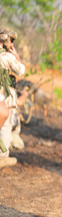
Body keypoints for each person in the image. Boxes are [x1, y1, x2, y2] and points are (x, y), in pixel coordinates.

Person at [0, 27, 25, 168]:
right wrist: (15, 54)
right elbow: (21, 70)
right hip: (4, 95)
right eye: (11, 42)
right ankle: (2, 157)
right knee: (5, 125)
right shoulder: (6, 57)